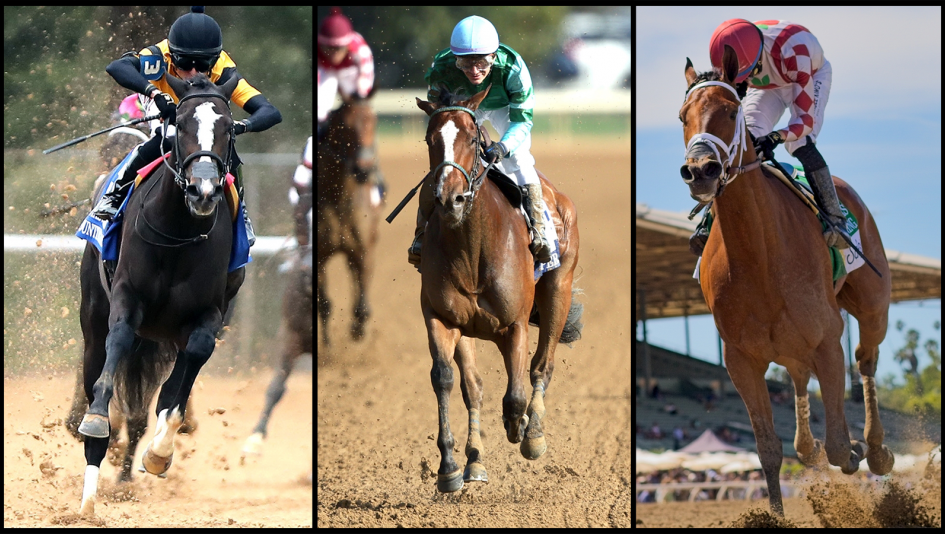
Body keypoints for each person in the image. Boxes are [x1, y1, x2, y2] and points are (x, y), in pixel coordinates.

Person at [90, 6, 282, 247]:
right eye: (184, 63)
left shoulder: (223, 68)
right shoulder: (157, 55)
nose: (192, 73)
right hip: (162, 106)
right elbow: (116, 68)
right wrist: (154, 93)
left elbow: (270, 111)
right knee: (168, 135)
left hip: (200, 121)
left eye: (202, 66)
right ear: (172, 54)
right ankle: (115, 193)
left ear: (214, 59)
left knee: (224, 141)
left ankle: (240, 209)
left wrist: (241, 126)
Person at [408, 15, 552, 268]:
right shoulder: (441, 68)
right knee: (446, 162)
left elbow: (522, 121)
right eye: (464, 63)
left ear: (494, 56)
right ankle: (421, 234)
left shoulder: (514, 68)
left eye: (482, 63)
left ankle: (539, 230)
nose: (474, 71)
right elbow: (440, 116)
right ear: (455, 58)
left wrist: (502, 146)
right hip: (462, 107)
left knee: (518, 158)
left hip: (504, 108)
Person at [692, 19, 847, 253]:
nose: (743, 80)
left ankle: (836, 220)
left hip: (807, 76)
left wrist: (776, 137)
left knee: (799, 143)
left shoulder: (795, 53)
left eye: (747, 74)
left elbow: (804, 123)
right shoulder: (734, 50)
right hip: (768, 86)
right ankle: (708, 220)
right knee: (748, 139)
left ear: (758, 58)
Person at [317, 7, 385, 201]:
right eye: (328, 47)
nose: (333, 53)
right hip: (326, 72)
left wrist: (355, 101)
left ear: (347, 45)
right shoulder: (321, 55)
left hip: (349, 73)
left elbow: (363, 90)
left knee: (362, 121)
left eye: (338, 48)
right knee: (320, 114)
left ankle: (374, 176)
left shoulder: (361, 51)